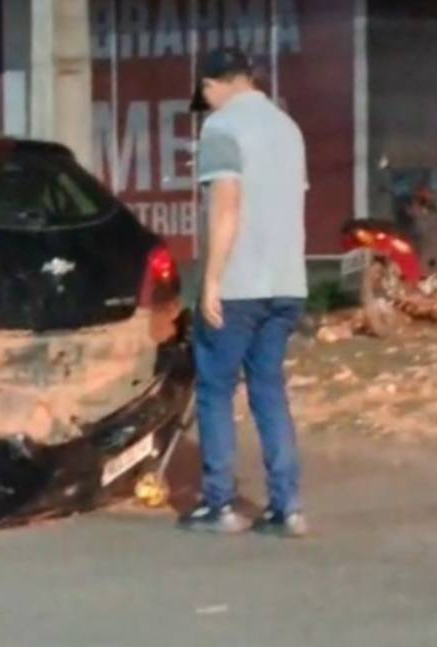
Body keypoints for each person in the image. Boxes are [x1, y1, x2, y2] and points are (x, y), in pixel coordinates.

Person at [179, 48, 310, 538]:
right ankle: (287, 507)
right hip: (287, 283)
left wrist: (211, 279)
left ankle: (221, 505)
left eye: (206, 95)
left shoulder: (221, 129)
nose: (207, 104)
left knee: (214, 390)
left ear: (213, 84)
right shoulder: (287, 128)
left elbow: (227, 206)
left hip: (239, 286)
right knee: (269, 391)